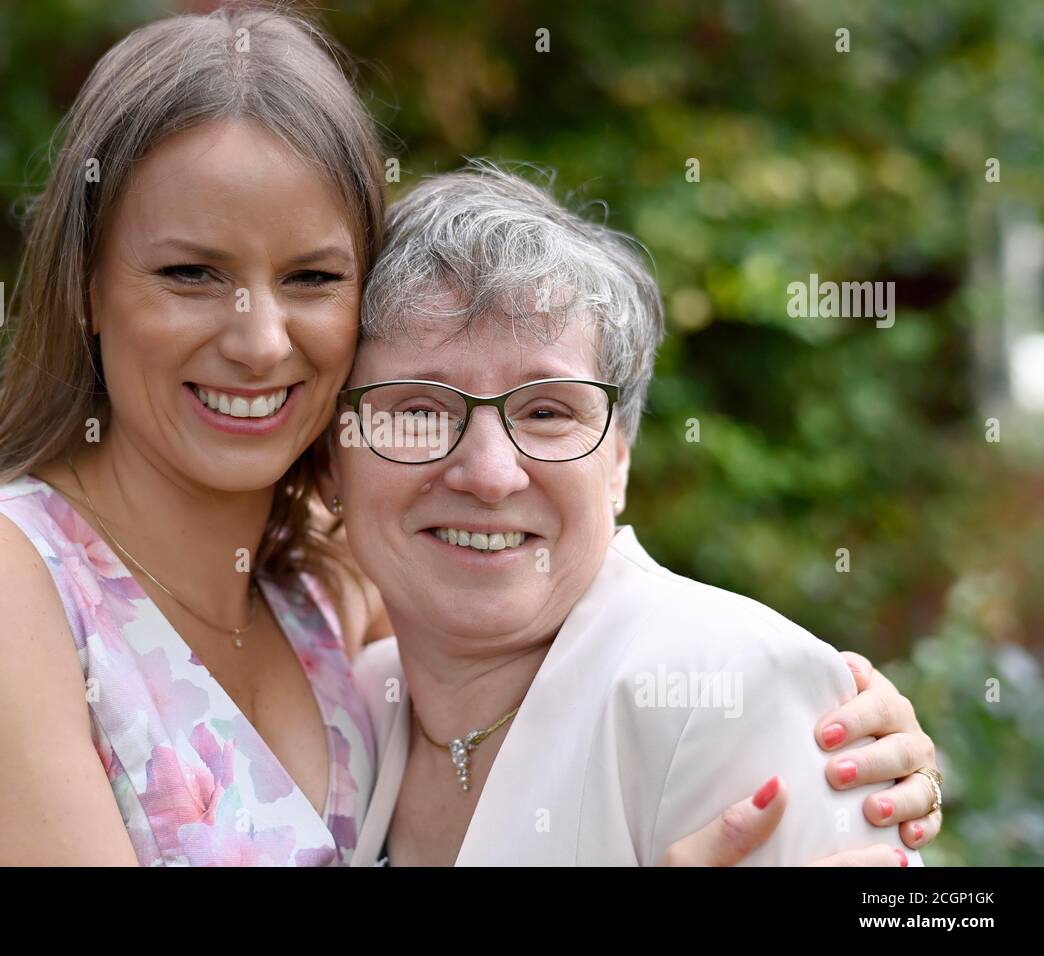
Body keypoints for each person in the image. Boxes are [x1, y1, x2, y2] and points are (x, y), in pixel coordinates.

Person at [0, 8, 939, 866]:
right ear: (87, 286)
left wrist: (807, 722)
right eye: (190, 272)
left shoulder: (331, 600)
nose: (257, 338)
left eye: (311, 277)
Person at [325, 163, 943, 865]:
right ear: (330, 460)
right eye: (421, 411)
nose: (491, 474)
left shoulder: (732, 689)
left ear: (617, 462)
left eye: (548, 411)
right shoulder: (358, 704)